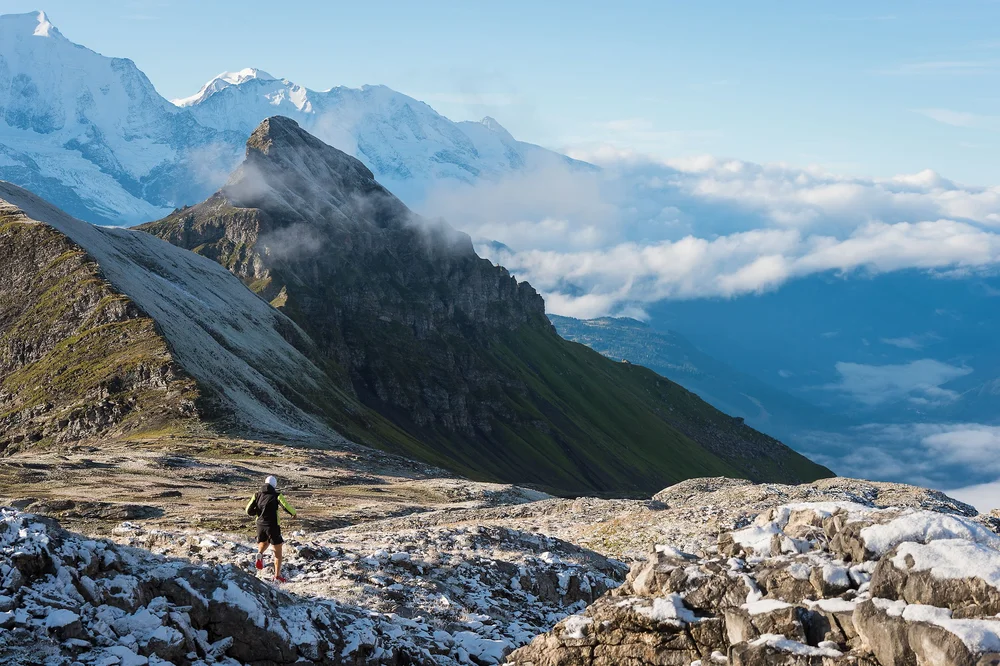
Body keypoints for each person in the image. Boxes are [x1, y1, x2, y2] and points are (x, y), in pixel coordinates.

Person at [245, 475, 297, 582]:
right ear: (274, 485)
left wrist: (257, 513)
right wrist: (294, 513)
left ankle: (260, 554)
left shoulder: (256, 495)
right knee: (278, 553)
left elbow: (248, 510)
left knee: (264, 542)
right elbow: (285, 506)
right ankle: (277, 576)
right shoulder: (277, 495)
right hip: (272, 525)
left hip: (260, 524)